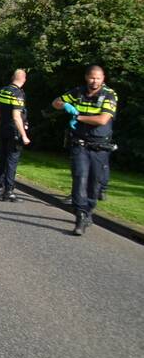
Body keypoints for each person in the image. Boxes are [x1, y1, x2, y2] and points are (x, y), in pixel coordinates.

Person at [51, 65, 118, 236]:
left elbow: (103, 120)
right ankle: (80, 215)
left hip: (100, 145)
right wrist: (65, 105)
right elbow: (55, 102)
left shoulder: (109, 95)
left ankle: (88, 210)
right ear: (86, 77)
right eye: (91, 77)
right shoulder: (78, 92)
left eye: (98, 78)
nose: (94, 81)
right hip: (79, 143)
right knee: (79, 177)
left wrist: (77, 116)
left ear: (103, 78)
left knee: (94, 182)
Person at [0, 69, 30, 201]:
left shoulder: (3, 90)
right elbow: (16, 117)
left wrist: (0, 125)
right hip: (15, 132)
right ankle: (9, 191)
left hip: (3, 130)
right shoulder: (18, 94)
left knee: (2, 160)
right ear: (23, 79)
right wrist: (24, 135)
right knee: (12, 161)